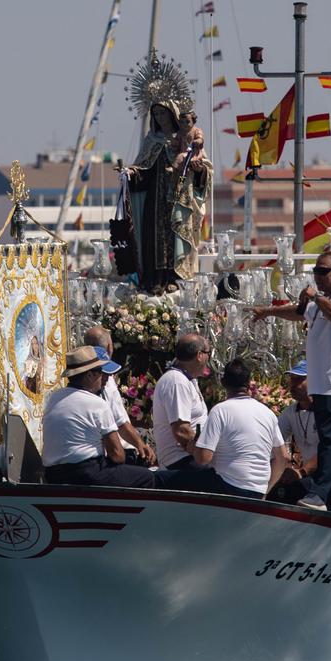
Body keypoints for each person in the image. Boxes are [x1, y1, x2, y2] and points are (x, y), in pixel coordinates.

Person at [251, 250, 331, 513]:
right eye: (317, 271)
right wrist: (266, 311)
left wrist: (316, 296)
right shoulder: (322, 302)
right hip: (323, 383)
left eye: (324, 271)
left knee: (330, 441)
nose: (319, 276)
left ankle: (319, 494)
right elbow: (299, 312)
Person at [41, 346, 158, 488]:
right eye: (100, 373)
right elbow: (117, 455)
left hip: (53, 474)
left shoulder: (54, 398)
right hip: (86, 473)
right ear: (89, 375)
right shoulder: (97, 403)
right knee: (146, 477)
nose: (105, 378)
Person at [127, 100, 210, 291]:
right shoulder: (151, 140)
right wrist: (130, 174)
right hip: (155, 200)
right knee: (153, 239)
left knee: (177, 234)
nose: (159, 118)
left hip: (179, 197)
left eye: (163, 113)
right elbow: (143, 168)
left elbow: (205, 167)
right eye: (156, 114)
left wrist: (199, 171)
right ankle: (154, 279)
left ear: (172, 114)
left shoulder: (185, 138)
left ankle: (176, 277)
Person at [191, 359, 288, 501]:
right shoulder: (267, 413)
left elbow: (204, 459)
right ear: (249, 384)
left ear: (223, 383)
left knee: (164, 479)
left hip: (227, 486)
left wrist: (194, 446)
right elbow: (283, 457)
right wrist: (265, 491)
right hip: (258, 491)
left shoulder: (220, 410)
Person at [84, 325, 154, 463]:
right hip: (105, 456)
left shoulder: (81, 379)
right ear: (110, 347)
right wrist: (142, 447)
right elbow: (120, 424)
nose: (102, 379)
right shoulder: (104, 380)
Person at [151, 333, 211, 472]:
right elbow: (181, 431)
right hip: (180, 461)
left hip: (191, 456)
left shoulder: (186, 379)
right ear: (200, 355)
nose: (209, 359)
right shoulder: (176, 381)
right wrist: (205, 454)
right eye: (209, 353)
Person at [273, 363, 318, 503]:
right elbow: (274, 440)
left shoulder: (325, 411)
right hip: (309, 475)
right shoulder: (290, 412)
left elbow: (330, 449)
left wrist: (302, 471)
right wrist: (284, 466)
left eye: (299, 379)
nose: (292, 384)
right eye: (291, 379)